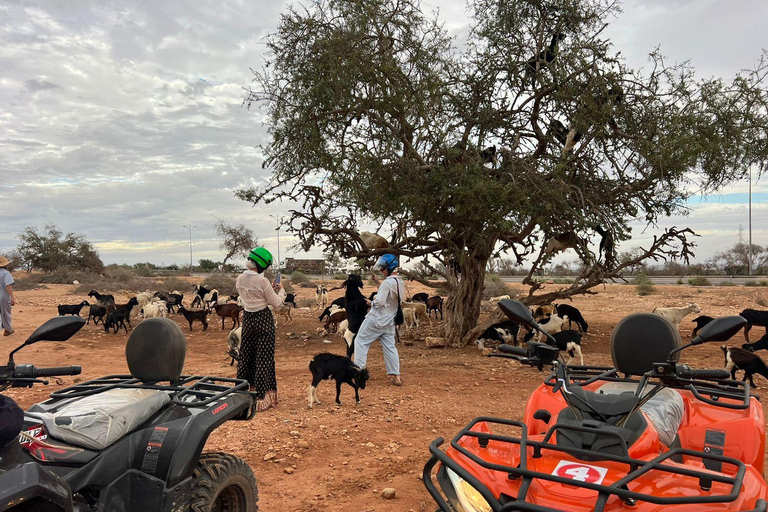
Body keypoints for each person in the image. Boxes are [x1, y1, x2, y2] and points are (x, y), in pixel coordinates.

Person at [235, 247, 285, 412]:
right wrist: (281, 290)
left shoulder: (240, 278)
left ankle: (241, 394)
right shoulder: (262, 282)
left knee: (246, 356)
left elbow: (250, 294)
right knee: (264, 358)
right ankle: (262, 397)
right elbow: (277, 304)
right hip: (263, 320)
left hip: (248, 319)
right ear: (263, 264)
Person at [353, 254, 405, 386]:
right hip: (390, 321)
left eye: (383, 268)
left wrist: (371, 303)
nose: (382, 271)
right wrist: (377, 283)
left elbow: (381, 301)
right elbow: (390, 297)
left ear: (389, 267)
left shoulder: (387, 282)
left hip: (376, 319)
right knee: (390, 347)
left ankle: (359, 375)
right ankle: (396, 376)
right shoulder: (400, 282)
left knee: (361, 341)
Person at [0, 256, 14, 337]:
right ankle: (7, 329)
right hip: (4, 296)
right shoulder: (5, 273)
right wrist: (12, 297)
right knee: (6, 312)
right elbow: (8, 285)